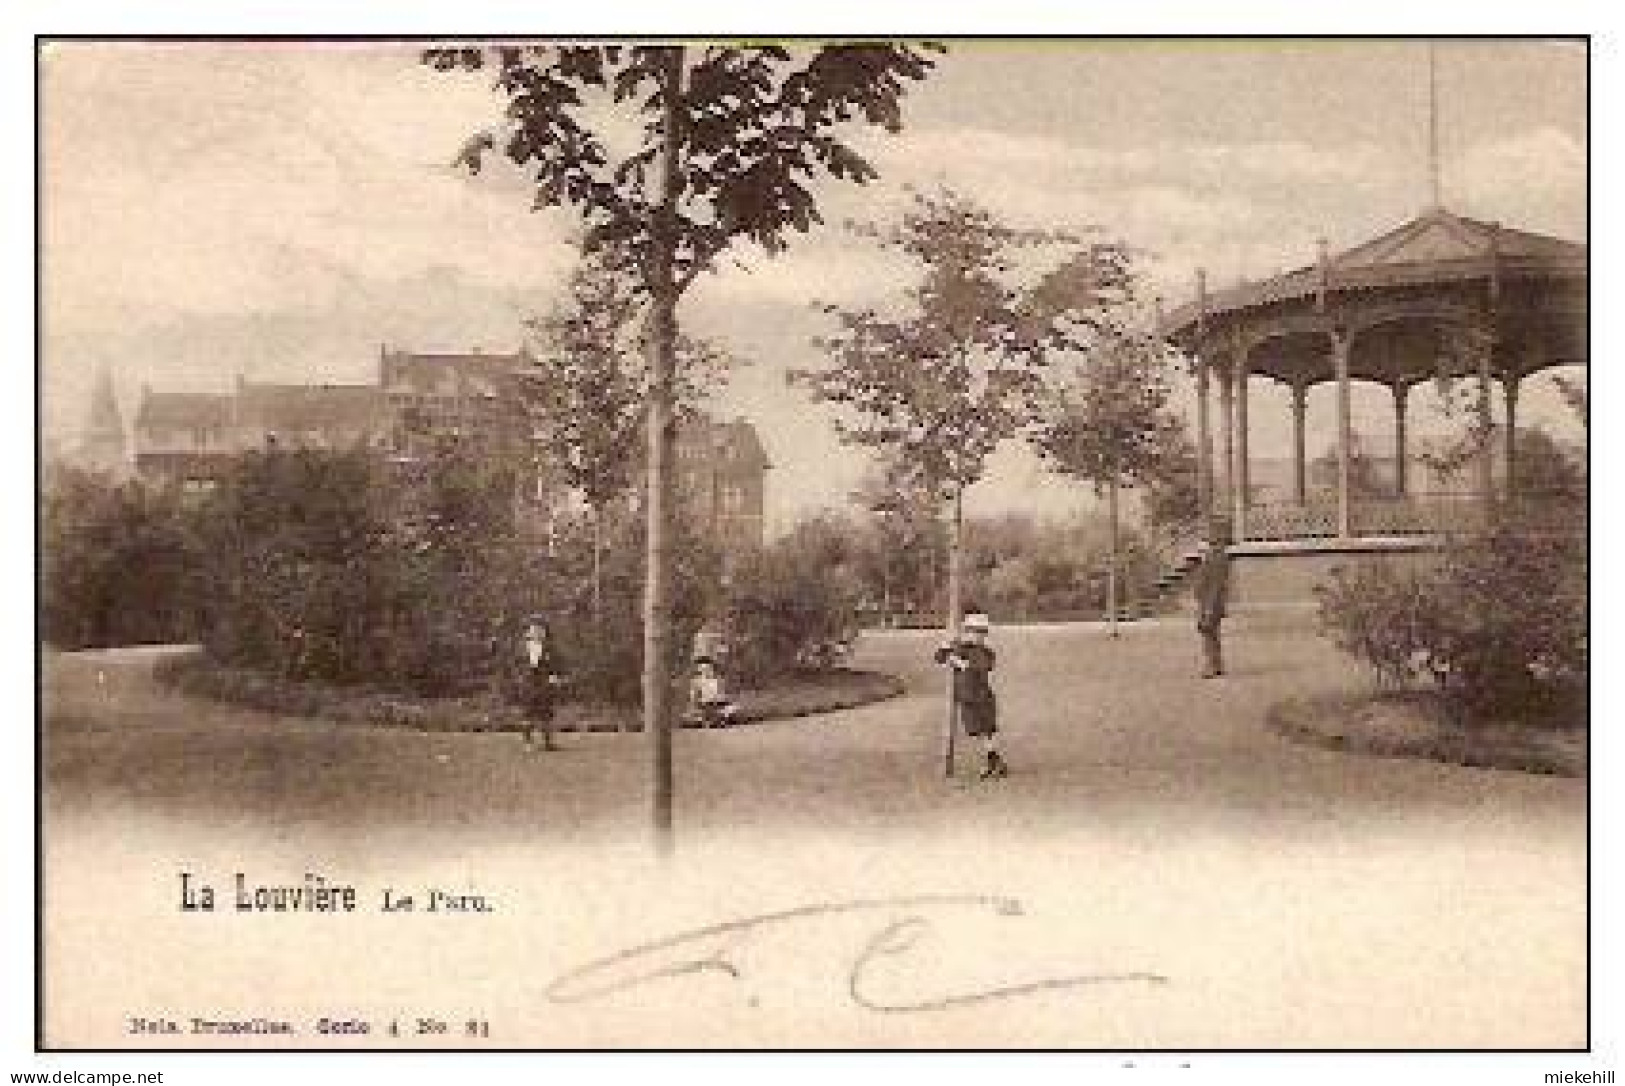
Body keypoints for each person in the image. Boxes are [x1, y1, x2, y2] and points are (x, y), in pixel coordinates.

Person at [934, 611, 1008, 780]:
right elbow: (939, 658)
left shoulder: (985, 653)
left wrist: (957, 662)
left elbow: (976, 669)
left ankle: (993, 762)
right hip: (967, 698)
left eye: (981, 633)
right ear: (967, 632)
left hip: (981, 697)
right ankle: (993, 761)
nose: (978, 636)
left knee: (985, 730)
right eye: (974, 632)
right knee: (978, 731)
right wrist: (945, 648)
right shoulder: (961, 648)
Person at [517, 615, 564, 751]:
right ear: (529, 631)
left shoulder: (551, 648)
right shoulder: (522, 648)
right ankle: (527, 743)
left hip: (545, 685)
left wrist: (555, 676)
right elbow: (515, 665)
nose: (537, 632)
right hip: (528, 684)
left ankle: (548, 743)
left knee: (546, 714)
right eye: (534, 629)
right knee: (528, 714)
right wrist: (520, 678)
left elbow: (558, 664)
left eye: (540, 629)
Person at [1191, 532, 1232, 679]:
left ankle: (1211, 666)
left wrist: (1208, 609)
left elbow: (1215, 586)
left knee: (1208, 635)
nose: (1198, 547)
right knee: (1212, 635)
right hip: (1210, 603)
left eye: (1202, 543)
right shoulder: (1212, 559)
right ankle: (1217, 665)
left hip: (1210, 604)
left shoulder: (1213, 560)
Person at [690, 656, 741, 728]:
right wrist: (700, 702)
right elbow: (694, 698)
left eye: (708, 669)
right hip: (704, 706)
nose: (706, 672)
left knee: (732, 708)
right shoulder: (696, 682)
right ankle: (713, 720)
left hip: (716, 705)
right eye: (702, 670)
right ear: (698, 670)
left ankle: (716, 720)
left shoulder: (715, 681)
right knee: (706, 712)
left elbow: (720, 695)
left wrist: (719, 699)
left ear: (712, 669)